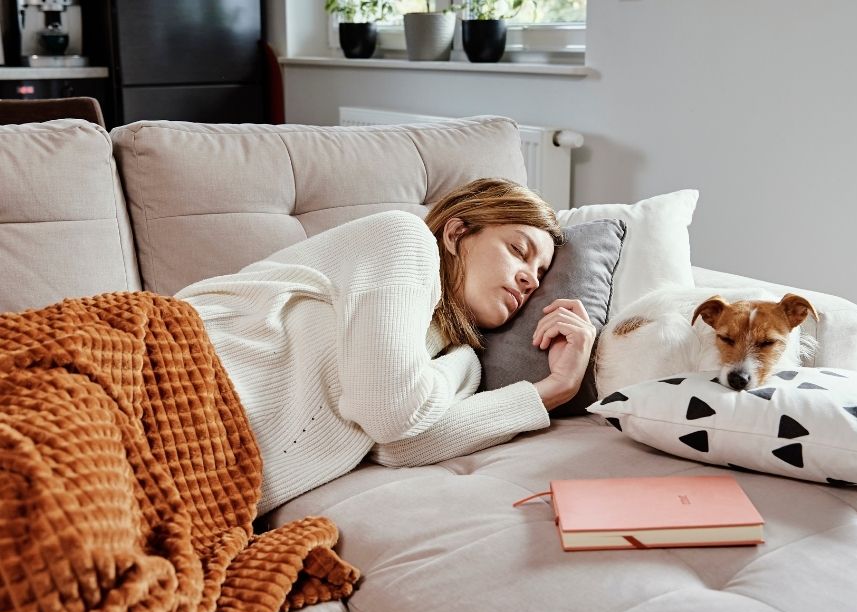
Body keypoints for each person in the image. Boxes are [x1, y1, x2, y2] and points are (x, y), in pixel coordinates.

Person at [176, 178, 597, 514]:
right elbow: (391, 412)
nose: (531, 280)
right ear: (456, 233)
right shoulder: (402, 239)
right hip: (168, 365)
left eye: (541, 273)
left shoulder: (461, 362)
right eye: (518, 251)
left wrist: (557, 387)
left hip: (208, 467)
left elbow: (397, 445)